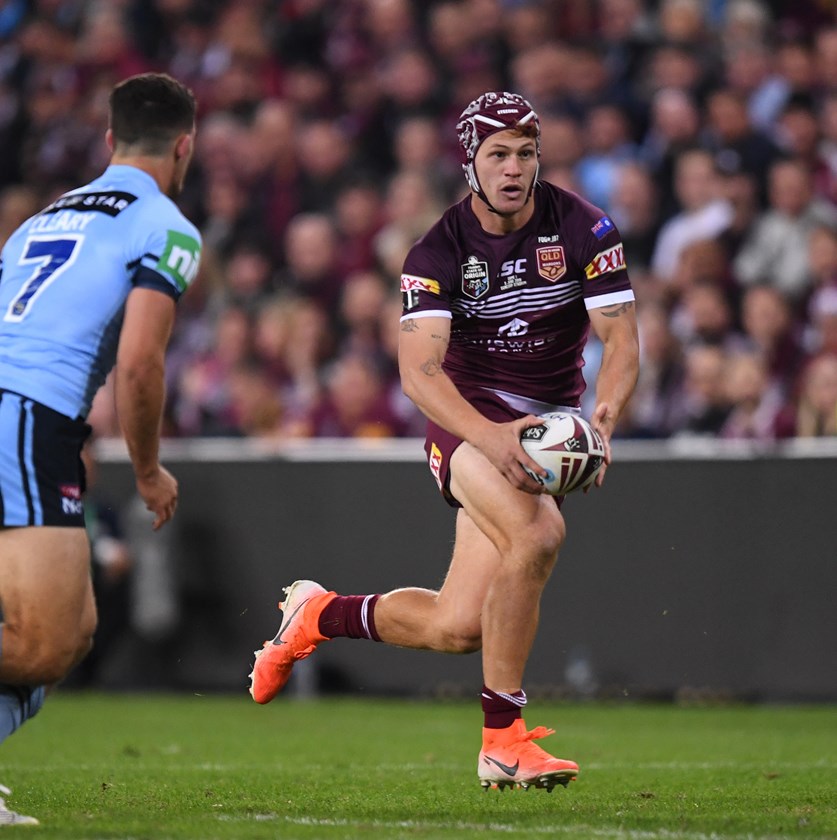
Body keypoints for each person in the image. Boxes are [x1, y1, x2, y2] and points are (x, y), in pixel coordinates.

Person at [248, 91, 639, 791]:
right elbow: (418, 373)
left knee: (458, 628)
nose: (514, 167)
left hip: (548, 427)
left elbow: (621, 338)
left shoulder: (583, 225)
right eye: (497, 154)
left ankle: (318, 614)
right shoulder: (437, 250)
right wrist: (488, 437)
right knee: (536, 536)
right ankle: (503, 742)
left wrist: (602, 423)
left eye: (525, 153)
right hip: (467, 421)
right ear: (470, 163)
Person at [0, 72, 200, 824]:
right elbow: (140, 363)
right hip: (26, 413)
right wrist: (147, 471)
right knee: (44, 640)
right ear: (185, 146)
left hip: (19, 410)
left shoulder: (40, 219)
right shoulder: (166, 225)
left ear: (110, 141)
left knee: (71, 631)